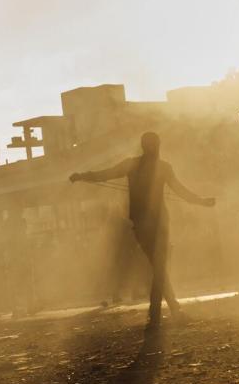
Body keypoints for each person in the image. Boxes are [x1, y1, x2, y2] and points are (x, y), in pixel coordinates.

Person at [70, 132, 215, 332]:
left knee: (159, 268)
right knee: (159, 268)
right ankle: (163, 314)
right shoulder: (160, 167)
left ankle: (165, 313)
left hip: (147, 225)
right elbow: (181, 192)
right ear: (152, 146)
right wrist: (202, 201)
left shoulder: (141, 166)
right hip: (155, 225)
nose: (155, 149)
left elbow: (105, 174)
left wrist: (82, 176)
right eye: (154, 145)